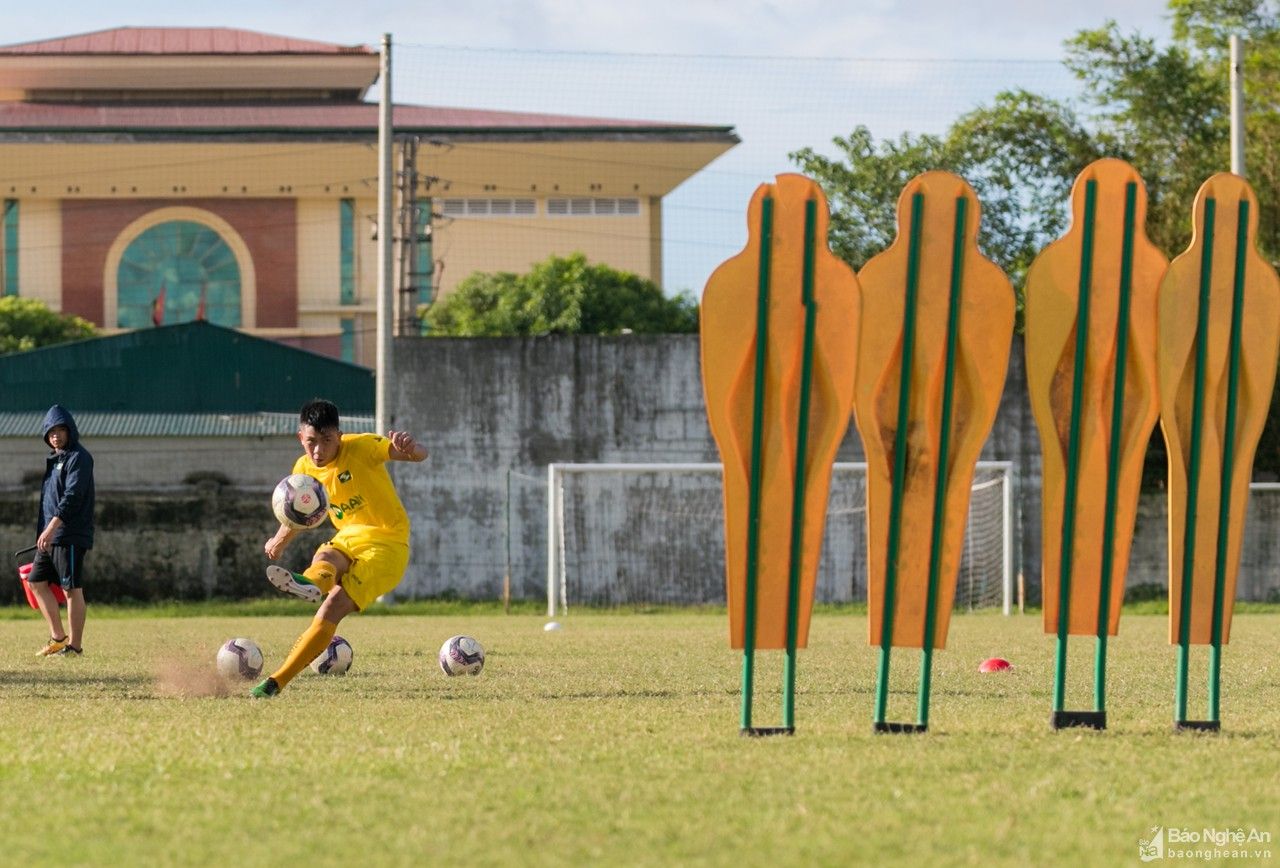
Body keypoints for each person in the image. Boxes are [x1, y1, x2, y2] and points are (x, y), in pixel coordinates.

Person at [252, 398, 427, 698]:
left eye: (327, 441)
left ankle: (276, 680)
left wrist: (412, 449)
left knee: (330, 609)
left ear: (340, 435)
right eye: (311, 442)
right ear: (300, 438)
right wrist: (278, 541)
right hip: (349, 536)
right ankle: (310, 584)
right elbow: (298, 516)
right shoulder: (303, 469)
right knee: (326, 554)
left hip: (388, 545)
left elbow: (416, 455)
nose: (318, 450)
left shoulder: (360, 447)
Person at [30, 404, 95, 657]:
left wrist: (51, 528)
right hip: (50, 535)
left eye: (60, 430)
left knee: (71, 589)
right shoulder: (55, 459)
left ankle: (75, 647)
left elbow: (72, 497)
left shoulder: (79, 457)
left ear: (70, 431)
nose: (55, 435)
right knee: (36, 582)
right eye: (51, 431)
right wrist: (44, 531)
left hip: (68, 533)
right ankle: (58, 638)